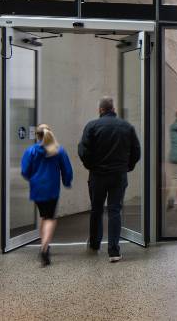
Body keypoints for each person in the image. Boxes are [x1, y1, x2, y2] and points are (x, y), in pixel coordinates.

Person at [78, 97, 141, 263]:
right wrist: (127, 167)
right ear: (114, 109)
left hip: (97, 176)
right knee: (115, 211)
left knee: (96, 210)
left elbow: (83, 151)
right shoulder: (127, 127)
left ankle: (94, 244)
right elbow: (136, 151)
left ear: (100, 110)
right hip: (118, 176)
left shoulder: (92, 126)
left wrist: (91, 166)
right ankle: (114, 251)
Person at [21, 124, 73, 267]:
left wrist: (34, 177)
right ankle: (44, 247)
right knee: (50, 218)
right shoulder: (58, 150)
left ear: (37, 136)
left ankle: (44, 244)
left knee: (44, 216)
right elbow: (67, 170)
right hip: (52, 189)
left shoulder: (30, 151)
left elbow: (25, 171)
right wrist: (67, 182)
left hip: (37, 189)